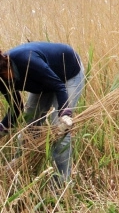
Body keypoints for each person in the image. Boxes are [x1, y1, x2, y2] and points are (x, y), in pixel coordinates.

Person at [0, 41, 85, 183]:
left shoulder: (26, 60)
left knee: (59, 132)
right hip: (43, 83)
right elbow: (17, 107)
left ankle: (62, 182)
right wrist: (2, 129)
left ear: (4, 68)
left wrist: (64, 114)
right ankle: (22, 171)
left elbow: (58, 86)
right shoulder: (2, 79)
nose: (8, 83)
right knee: (30, 130)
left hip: (68, 74)